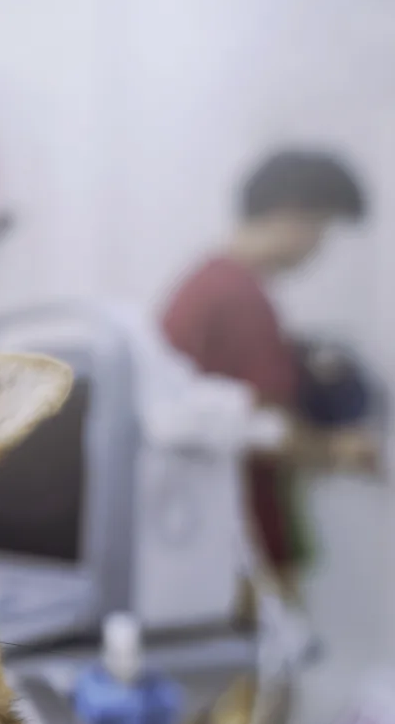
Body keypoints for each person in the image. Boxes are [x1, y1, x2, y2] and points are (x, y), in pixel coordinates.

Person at [161, 147, 379, 597]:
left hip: (213, 537)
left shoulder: (206, 281)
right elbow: (266, 430)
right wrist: (339, 449)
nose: (319, 245)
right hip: (245, 542)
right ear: (290, 214)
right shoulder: (240, 298)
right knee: (268, 663)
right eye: (320, 228)